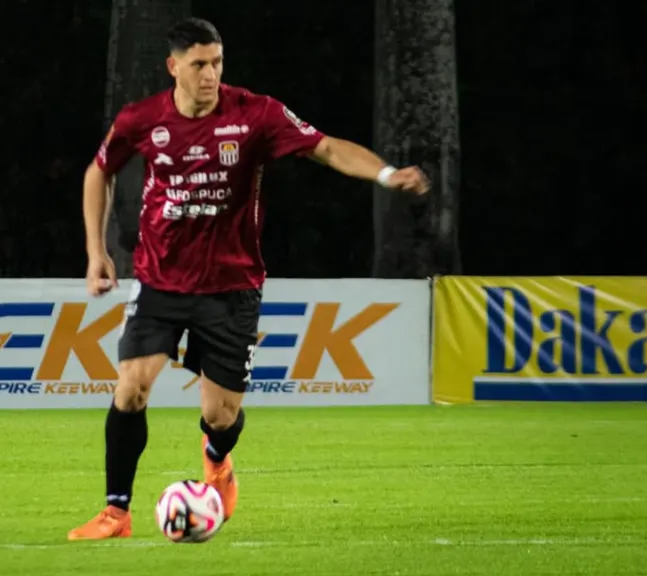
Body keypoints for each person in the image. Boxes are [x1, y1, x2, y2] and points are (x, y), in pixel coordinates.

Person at [68, 16, 429, 541]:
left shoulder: (255, 114)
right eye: (198, 64)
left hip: (232, 287)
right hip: (160, 281)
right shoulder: (142, 119)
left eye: (216, 62)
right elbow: (98, 171)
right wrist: (95, 252)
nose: (210, 73)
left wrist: (384, 174)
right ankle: (116, 513)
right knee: (132, 389)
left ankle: (217, 459)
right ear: (174, 67)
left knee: (220, 413)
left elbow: (325, 147)